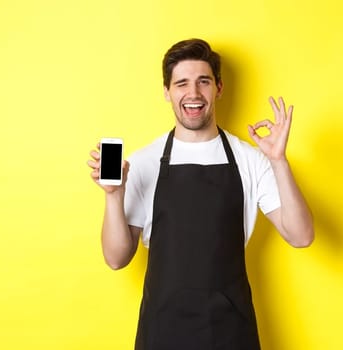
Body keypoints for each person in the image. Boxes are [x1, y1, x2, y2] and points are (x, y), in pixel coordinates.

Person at [86, 38, 314, 349]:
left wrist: (278, 161)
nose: (193, 94)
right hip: (162, 332)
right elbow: (116, 258)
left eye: (203, 81)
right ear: (167, 92)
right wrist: (114, 195)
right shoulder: (143, 162)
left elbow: (301, 236)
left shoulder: (250, 159)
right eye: (181, 83)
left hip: (231, 333)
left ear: (218, 88)